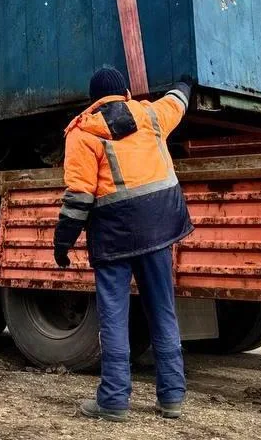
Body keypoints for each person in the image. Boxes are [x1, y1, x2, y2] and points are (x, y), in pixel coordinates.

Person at [53, 67, 193, 422]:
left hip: (114, 235)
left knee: (114, 316)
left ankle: (114, 400)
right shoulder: (149, 115)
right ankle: (172, 397)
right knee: (162, 310)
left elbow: (79, 197)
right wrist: (183, 82)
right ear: (126, 92)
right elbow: (176, 103)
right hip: (158, 229)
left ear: (93, 100)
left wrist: (62, 242)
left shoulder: (82, 132)